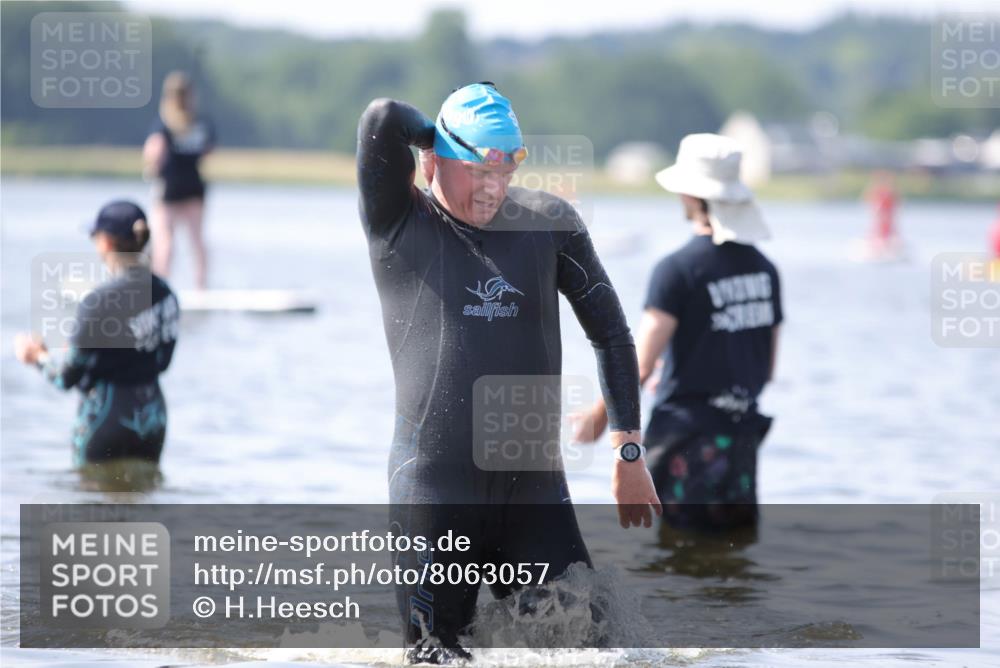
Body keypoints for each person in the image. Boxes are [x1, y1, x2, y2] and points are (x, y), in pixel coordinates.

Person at [356, 82, 660, 662]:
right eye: (480, 169)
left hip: (533, 496)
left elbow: (612, 334)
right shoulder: (399, 222)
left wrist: (628, 452)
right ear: (435, 156)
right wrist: (436, 140)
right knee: (435, 658)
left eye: (509, 167)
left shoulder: (548, 223)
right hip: (435, 493)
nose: (495, 188)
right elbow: (382, 116)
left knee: (600, 655)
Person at [573, 133, 782, 531]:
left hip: (686, 441)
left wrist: (600, 417)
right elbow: (766, 367)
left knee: (672, 557)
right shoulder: (764, 269)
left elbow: (642, 363)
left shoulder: (678, 269)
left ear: (689, 194)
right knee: (731, 559)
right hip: (740, 442)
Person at [14, 201, 179, 475]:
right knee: (145, 509)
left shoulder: (98, 302)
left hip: (104, 418)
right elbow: (162, 362)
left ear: (106, 242)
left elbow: (65, 377)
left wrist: (37, 357)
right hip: (152, 418)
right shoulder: (167, 295)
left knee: (91, 510)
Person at [143, 71, 215, 289]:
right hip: (194, 188)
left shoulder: (163, 124)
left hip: (169, 190)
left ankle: (158, 287)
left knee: (164, 241)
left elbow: (154, 152)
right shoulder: (201, 124)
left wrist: (152, 168)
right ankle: (201, 287)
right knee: (197, 241)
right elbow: (208, 150)